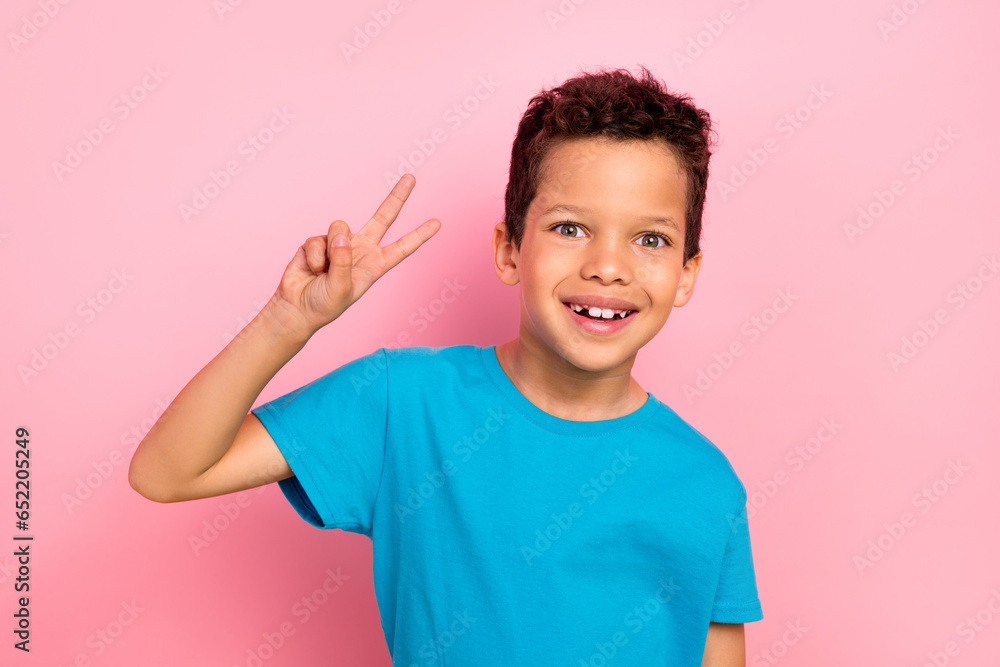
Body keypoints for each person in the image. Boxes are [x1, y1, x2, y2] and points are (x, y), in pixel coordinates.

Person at [129, 65, 763, 666]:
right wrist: (286, 323)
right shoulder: (401, 402)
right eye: (570, 228)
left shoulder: (706, 482)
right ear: (510, 249)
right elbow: (169, 472)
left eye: (650, 239)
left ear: (687, 274)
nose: (608, 266)